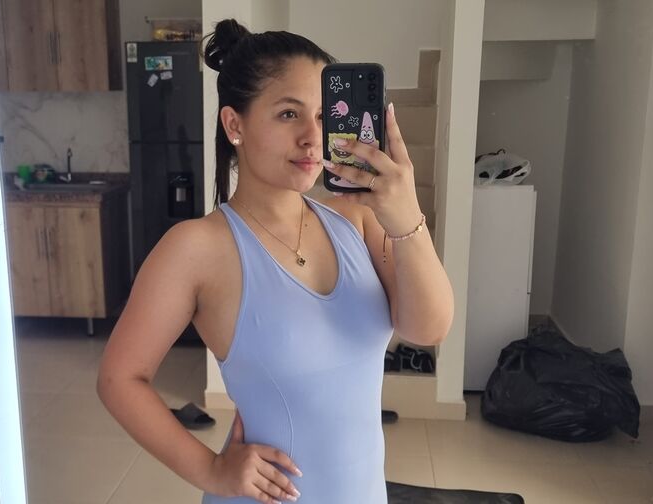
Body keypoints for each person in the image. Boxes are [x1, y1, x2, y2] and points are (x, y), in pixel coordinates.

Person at [97, 19, 454, 503]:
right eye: (289, 114)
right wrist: (211, 470)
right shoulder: (197, 248)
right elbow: (119, 379)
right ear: (235, 125)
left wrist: (406, 216)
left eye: (324, 116)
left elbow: (428, 328)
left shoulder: (358, 219)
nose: (312, 136)